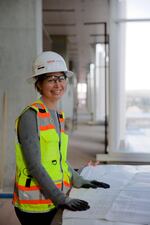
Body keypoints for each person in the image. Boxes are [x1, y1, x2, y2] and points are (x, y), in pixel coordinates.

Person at [13, 51, 110, 225]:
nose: (58, 84)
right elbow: (34, 166)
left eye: (61, 78)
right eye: (51, 79)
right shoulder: (30, 116)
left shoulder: (58, 116)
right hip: (34, 205)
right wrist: (61, 199)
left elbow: (57, 161)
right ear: (39, 84)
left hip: (54, 197)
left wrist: (78, 179)